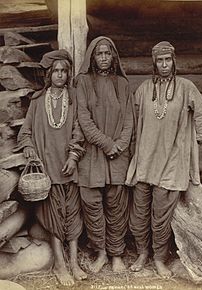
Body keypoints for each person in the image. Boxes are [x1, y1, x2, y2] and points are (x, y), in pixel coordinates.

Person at [126, 41, 202, 278]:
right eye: (160, 60)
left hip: (172, 164)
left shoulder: (186, 87)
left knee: (161, 219)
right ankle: (142, 254)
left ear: (174, 61)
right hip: (144, 161)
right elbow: (132, 121)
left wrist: (197, 142)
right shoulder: (144, 89)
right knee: (139, 216)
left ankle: (159, 259)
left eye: (168, 60)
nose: (164, 64)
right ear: (154, 62)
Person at [16, 50, 87, 286]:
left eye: (63, 71)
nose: (59, 75)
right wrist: (29, 149)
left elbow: (80, 130)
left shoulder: (75, 98)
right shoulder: (37, 102)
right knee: (55, 218)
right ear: (48, 74)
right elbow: (24, 134)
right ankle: (59, 264)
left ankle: (74, 263)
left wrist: (74, 156)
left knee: (73, 217)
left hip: (70, 168)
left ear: (68, 74)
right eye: (55, 71)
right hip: (47, 171)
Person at [75, 36, 134, 273]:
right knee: (92, 204)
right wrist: (107, 144)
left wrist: (118, 145)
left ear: (113, 57)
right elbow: (84, 120)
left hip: (117, 155)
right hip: (92, 154)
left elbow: (129, 120)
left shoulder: (123, 84)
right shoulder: (83, 82)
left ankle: (116, 253)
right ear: (92, 57)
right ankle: (100, 252)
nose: (103, 58)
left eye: (107, 54)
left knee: (116, 205)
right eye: (98, 54)